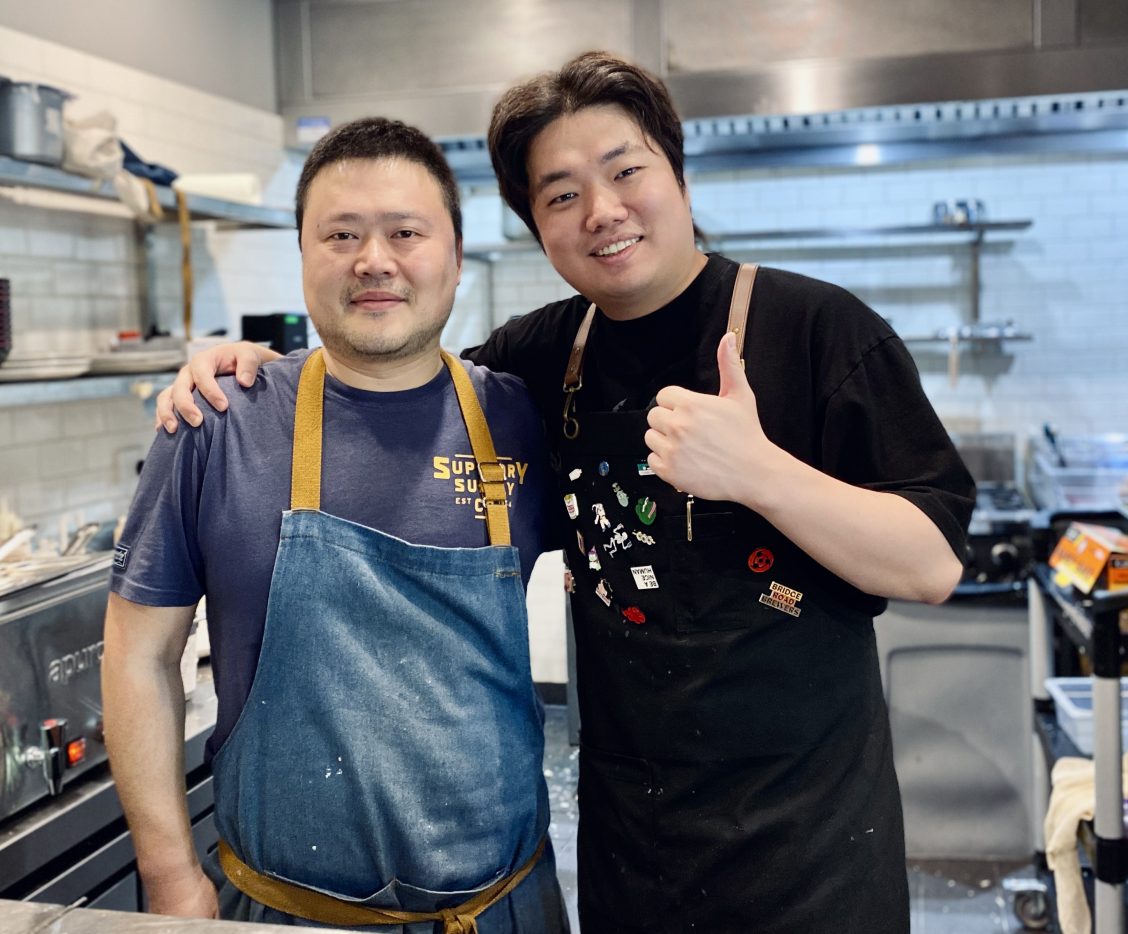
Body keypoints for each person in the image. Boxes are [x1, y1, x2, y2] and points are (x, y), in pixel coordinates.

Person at [157, 53, 975, 933]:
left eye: (626, 171)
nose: (603, 211)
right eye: (560, 195)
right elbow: (392, 383)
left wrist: (761, 472)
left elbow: (930, 564)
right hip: (632, 855)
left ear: (676, 172)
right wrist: (251, 373)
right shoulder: (538, 359)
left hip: (811, 857)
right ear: (536, 229)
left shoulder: (816, 330)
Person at [103, 116, 569, 933]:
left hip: (506, 909)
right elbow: (139, 655)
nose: (374, 259)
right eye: (341, 234)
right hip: (283, 913)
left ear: (455, 258)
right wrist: (171, 878)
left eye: (404, 232)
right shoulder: (217, 421)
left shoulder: (522, 420)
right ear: (305, 258)